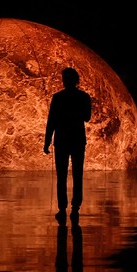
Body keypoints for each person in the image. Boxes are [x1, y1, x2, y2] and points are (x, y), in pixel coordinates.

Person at [43, 67, 92, 221]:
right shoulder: (84, 97)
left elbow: (51, 121)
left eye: (64, 79)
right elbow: (87, 117)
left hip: (62, 140)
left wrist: (47, 142)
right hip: (77, 140)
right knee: (78, 175)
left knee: (61, 176)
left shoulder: (58, 97)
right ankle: (75, 208)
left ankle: (62, 208)